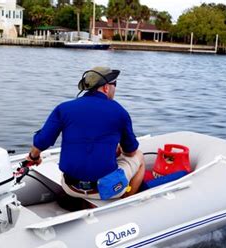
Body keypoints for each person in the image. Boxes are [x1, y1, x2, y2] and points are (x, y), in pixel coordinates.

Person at [26, 66, 145, 200]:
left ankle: (79, 198)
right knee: (140, 157)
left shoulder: (63, 108)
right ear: (106, 87)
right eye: (115, 84)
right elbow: (130, 152)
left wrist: (34, 157)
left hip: (70, 187)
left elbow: (42, 141)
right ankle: (124, 201)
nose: (115, 88)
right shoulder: (119, 112)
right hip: (105, 189)